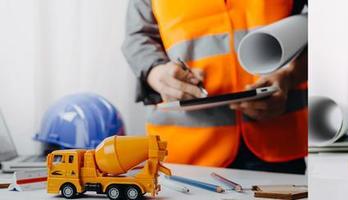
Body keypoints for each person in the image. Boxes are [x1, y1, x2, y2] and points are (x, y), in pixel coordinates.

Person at [122, 0, 308, 174]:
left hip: (280, 141)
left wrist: (289, 75)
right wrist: (156, 73)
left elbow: (325, 25)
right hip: (185, 153)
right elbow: (138, 37)